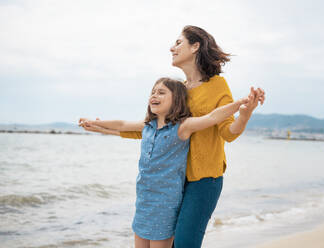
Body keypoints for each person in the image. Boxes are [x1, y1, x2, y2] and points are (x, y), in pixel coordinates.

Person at [120, 25, 265, 247]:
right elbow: (155, 129)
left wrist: (244, 115)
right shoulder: (178, 89)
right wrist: (102, 127)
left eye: (178, 43)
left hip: (204, 180)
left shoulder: (217, 85)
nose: (172, 48)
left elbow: (229, 132)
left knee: (185, 243)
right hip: (173, 183)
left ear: (195, 46)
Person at [79, 77, 261, 248]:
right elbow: (121, 125)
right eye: (153, 92)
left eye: (161, 92)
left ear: (176, 100)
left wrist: (240, 104)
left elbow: (212, 117)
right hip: (143, 202)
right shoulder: (147, 126)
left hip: (165, 205)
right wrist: (95, 124)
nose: (154, 95)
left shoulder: (182, 127)